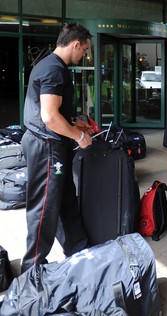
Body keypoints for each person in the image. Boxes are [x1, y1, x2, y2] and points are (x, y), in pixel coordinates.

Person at [21, 23, 94, 273]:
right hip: (47, 148)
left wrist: (75, 122)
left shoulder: (51, 66)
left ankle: (79, 251)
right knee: (44, 208)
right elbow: (49, 117)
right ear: (75, 44)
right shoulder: (53, 69)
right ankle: (32, 270)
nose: (84, 54)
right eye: (84, 49)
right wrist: (78, 137)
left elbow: (57, 113)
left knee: (64, 201)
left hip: (53, 146)